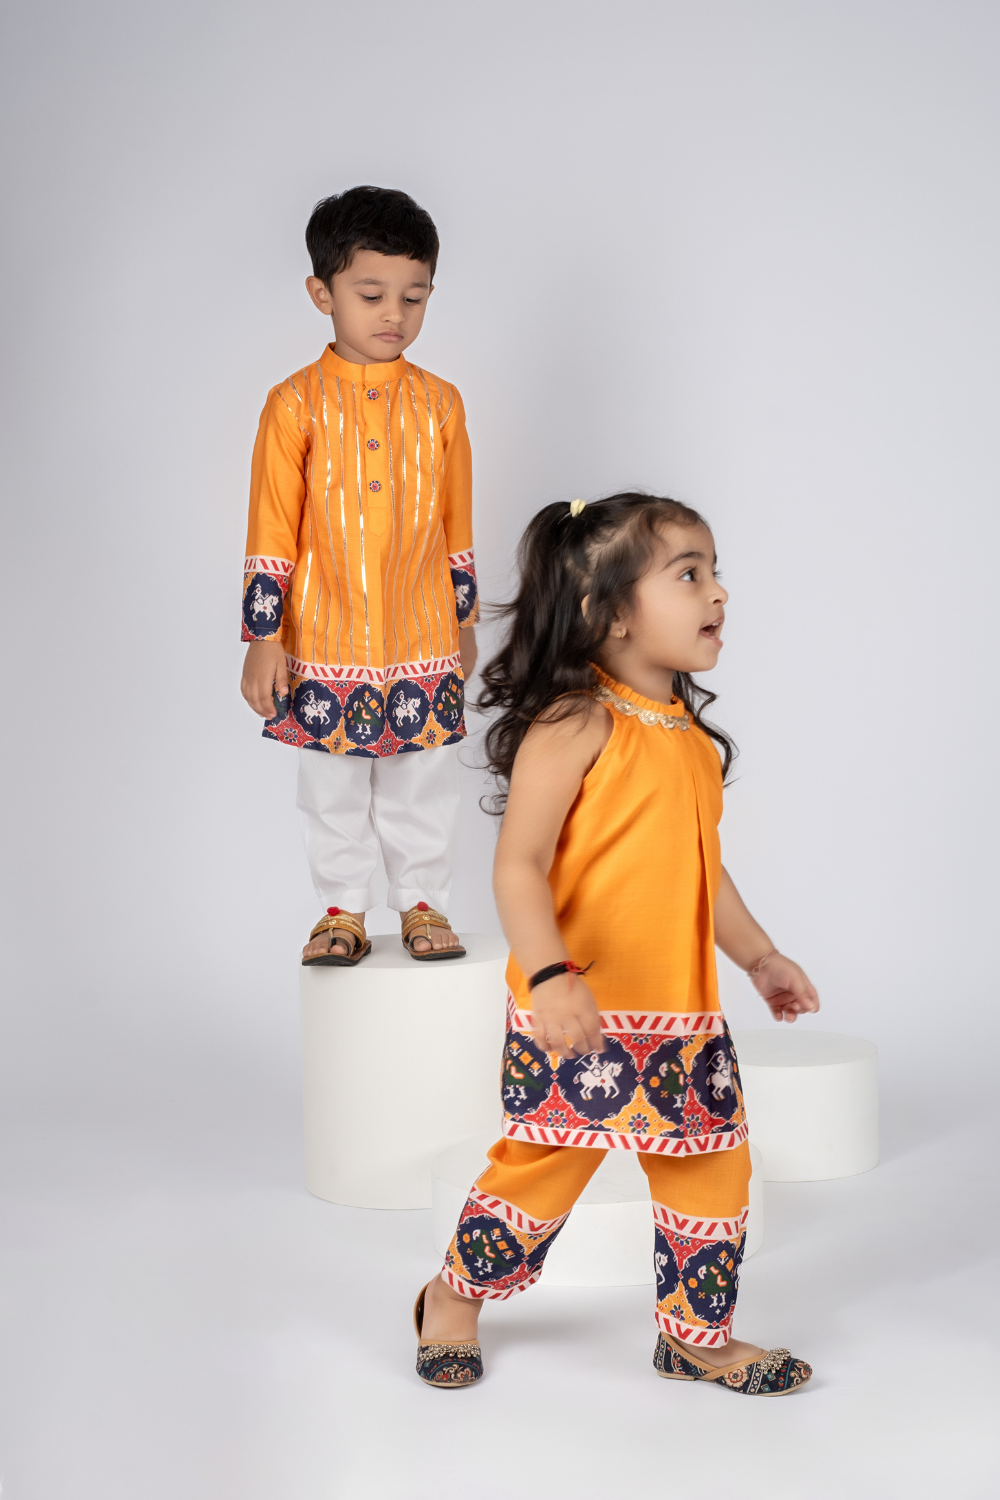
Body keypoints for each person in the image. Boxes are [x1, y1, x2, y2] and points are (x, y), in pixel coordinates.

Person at [413, 493, 819, 1394]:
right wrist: (550, 975)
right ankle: (452, 1297)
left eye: (715, 573)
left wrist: (760, 957)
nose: (718, 593)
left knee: (714, 1171)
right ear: (609, 612)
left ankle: (695, 1338)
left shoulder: (691, 744)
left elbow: (703, 874)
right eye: (689, 575)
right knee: (542, 1172)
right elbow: (519, 865)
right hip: (580, 1012)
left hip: (683, 1019)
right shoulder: (578, 721)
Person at [240, 186, 478, 966]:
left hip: (423, 632)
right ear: (323, 294)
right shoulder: (294, 405)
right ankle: (340, 910)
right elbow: (271, 527)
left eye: (414, 296)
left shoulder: (440, 405)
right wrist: (264, 637)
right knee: (332, 787)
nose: (394, 315)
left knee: (422, 781)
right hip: (322, 636)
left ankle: (422, 903)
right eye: (371, 295)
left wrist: (464, 622)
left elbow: (456, 522)